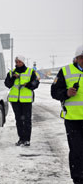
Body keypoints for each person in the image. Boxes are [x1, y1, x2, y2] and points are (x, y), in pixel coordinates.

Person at [51, 45, 83, 184]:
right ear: (76, 58)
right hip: (73, 119)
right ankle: (78, 179)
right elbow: (54, 92)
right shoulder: (65, 71)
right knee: (77, 151)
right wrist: (66, 93)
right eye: (82, 58)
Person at [4, 55, 40, 146]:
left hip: (26, 100)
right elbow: (7, 84)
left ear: (23, 62)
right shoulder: (12, 73)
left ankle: (27, 139)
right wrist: (13, 78)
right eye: (16, 62)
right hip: (15, 100)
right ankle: (21, 138)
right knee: (19, 120)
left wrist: (27, 84)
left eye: (19, 62)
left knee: (27, 120)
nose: (17, 63)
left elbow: (36, 83)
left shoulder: (30, 72)